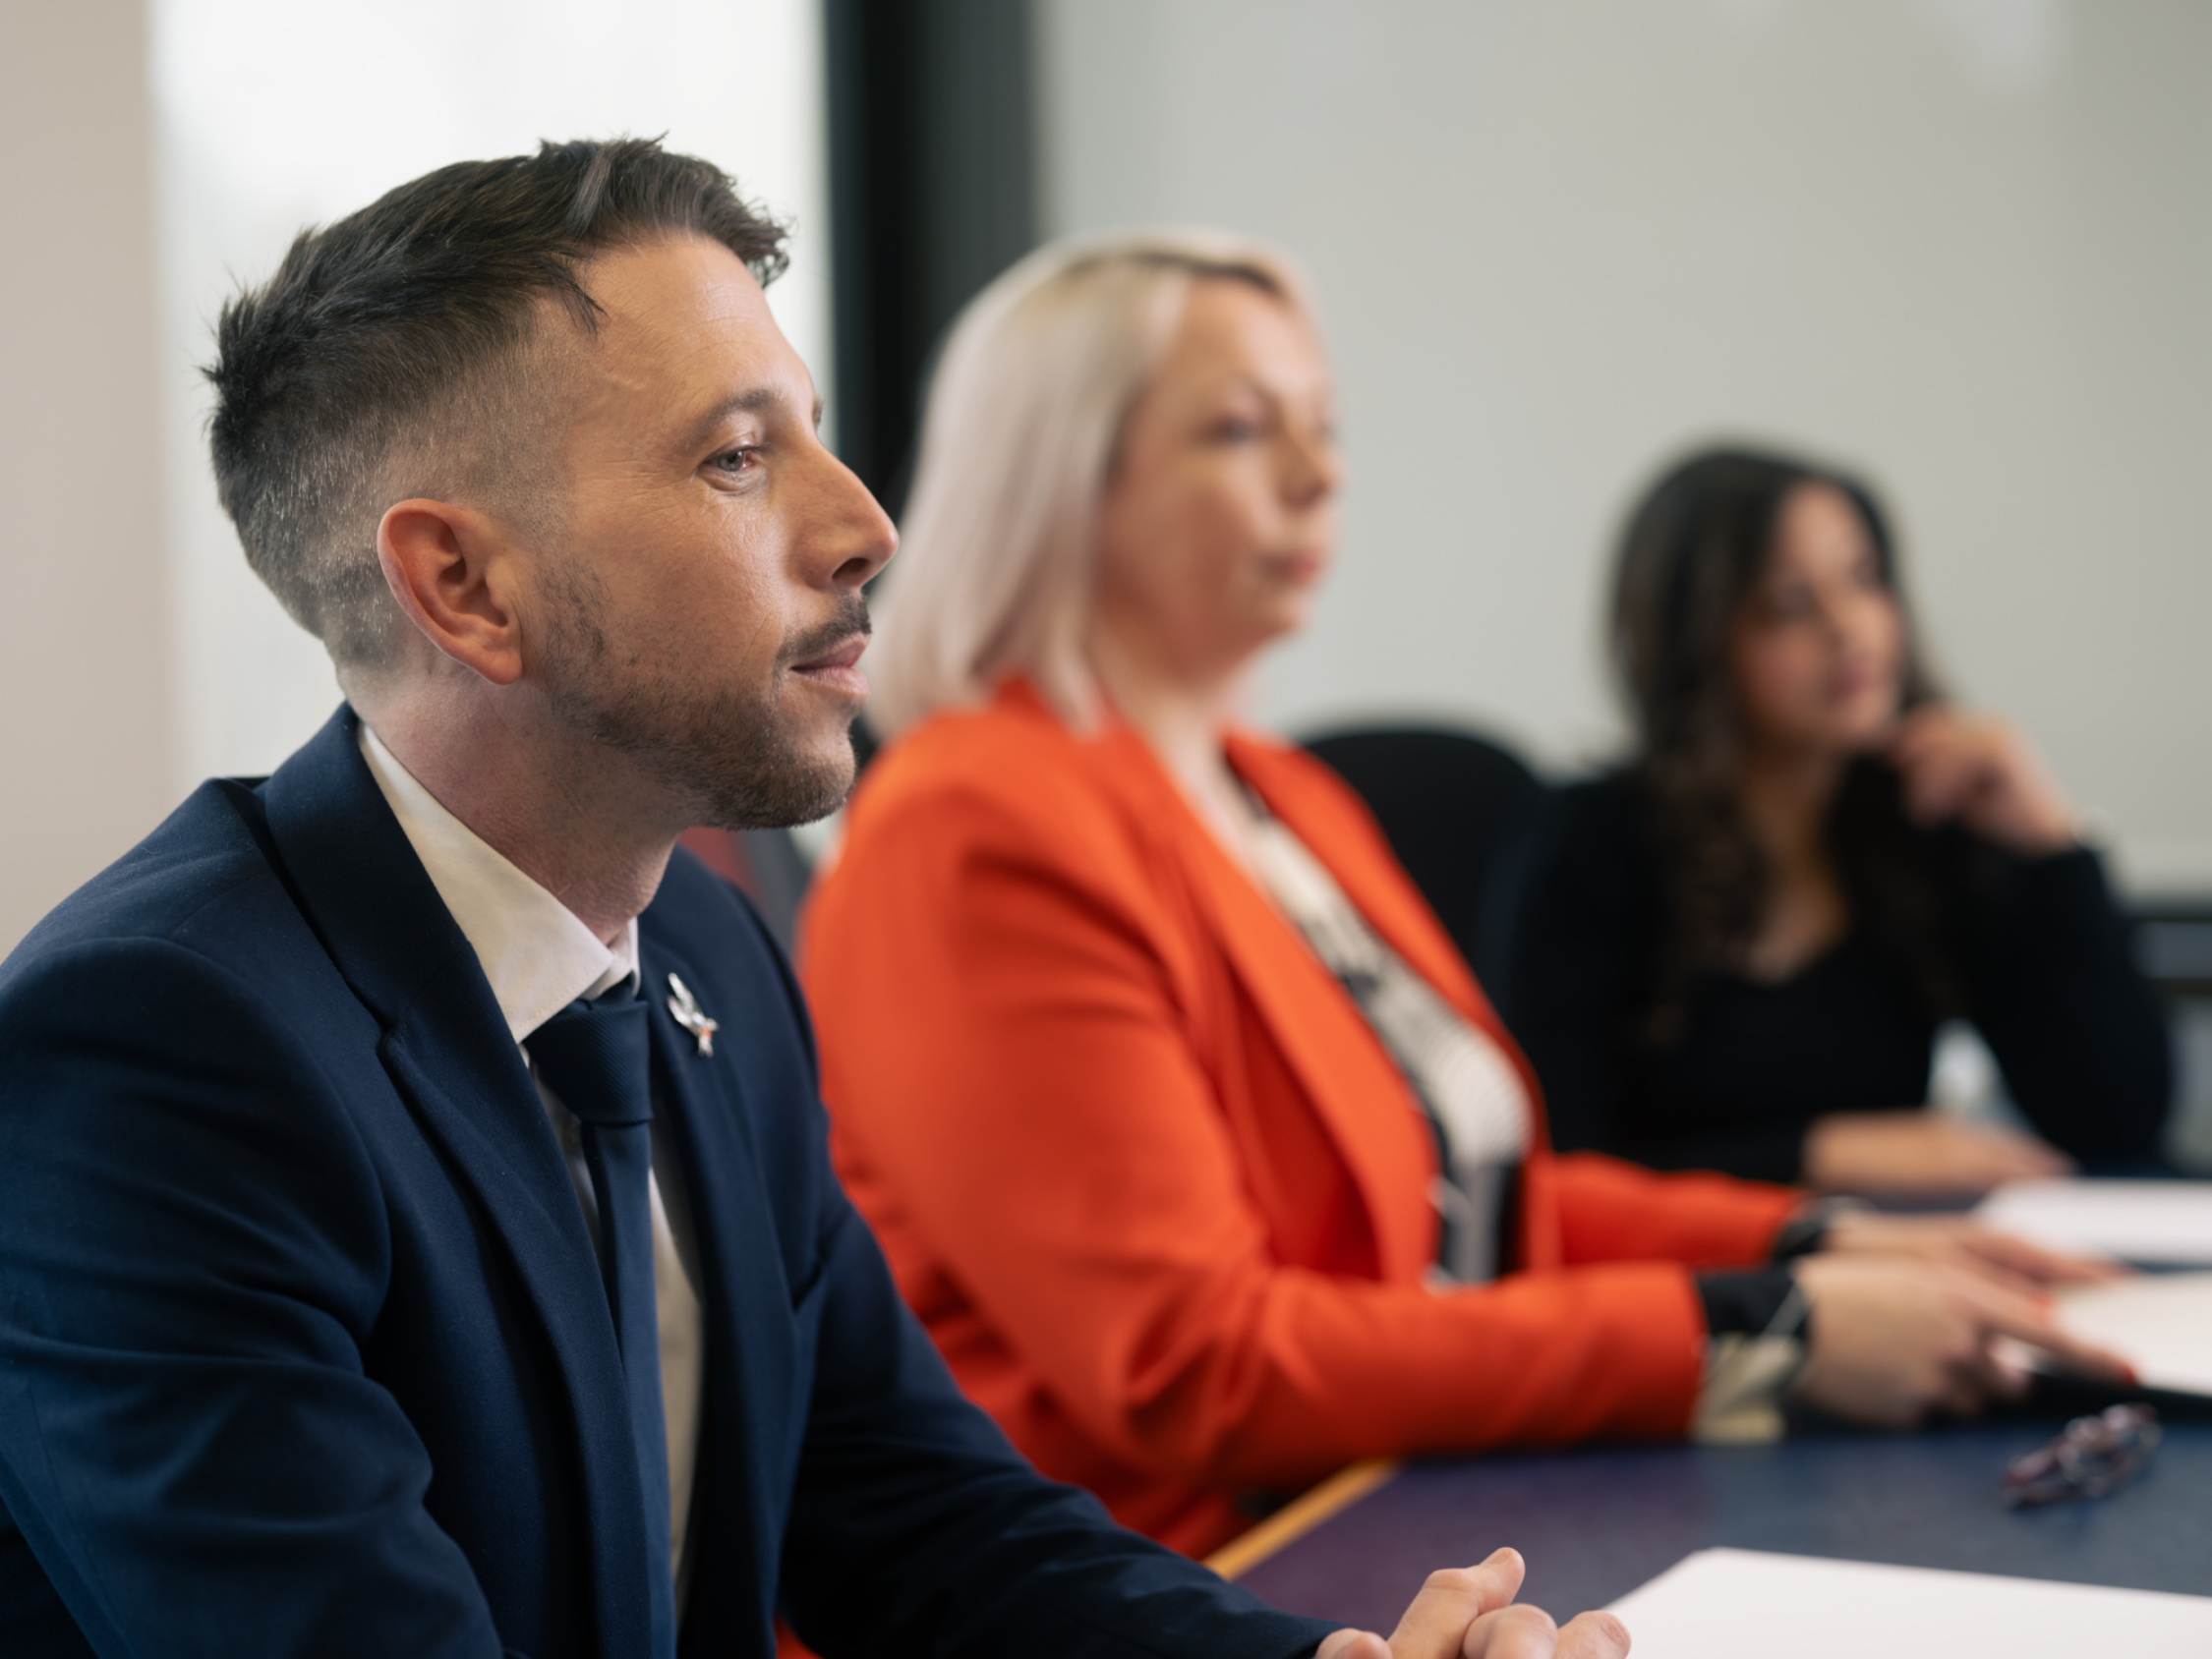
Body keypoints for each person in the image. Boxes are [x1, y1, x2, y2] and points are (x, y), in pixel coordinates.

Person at [0, 142, 1629, 1659]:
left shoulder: (701, 947)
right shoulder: (155, 1049)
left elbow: (904, 1501)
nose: (865, 525)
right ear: (468, 587)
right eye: (733, 459)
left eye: (817, 431)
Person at [797, 234, 2129, 1561]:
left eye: (1323, 429)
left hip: (1408, 1500)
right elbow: (1194, 1368)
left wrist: (1815, 1242)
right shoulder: (974, 825)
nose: (1322, 478)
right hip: (1176, 1570)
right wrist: (1762, 1327)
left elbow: (1485, 1200)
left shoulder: (1279, 795)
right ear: (1059, 482)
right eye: (1241, 432)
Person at [1499, 446, 2172, 1192]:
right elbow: (1558, 1178)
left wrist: (2054, 844)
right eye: (1791, 604)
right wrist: (1818, 1154)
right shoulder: (1594, 842)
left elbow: (2117, 1122)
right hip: (1704, 1284)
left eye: (1864, 580)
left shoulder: (1919, 820)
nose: (1849, 627)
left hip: (1911, 1265)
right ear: (1701, 643)